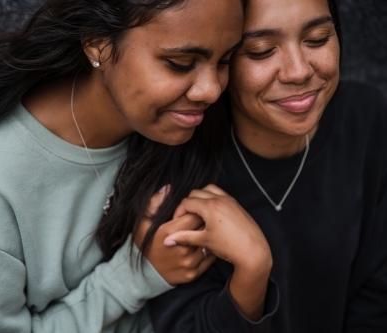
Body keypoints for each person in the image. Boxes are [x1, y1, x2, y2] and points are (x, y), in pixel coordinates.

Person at [0, 0, 246, 332]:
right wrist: (135, 274)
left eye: (225, 60)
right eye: (181, 63)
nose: (211, 90)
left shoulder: (176, 131)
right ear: (97, 42)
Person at [99, 0, 387, 331]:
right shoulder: (178, 167)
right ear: (220, 62)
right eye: (262, 51)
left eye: (318, 39)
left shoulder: (367, 118)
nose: (299, 71)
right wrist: (252, 271)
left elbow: (378, 295)